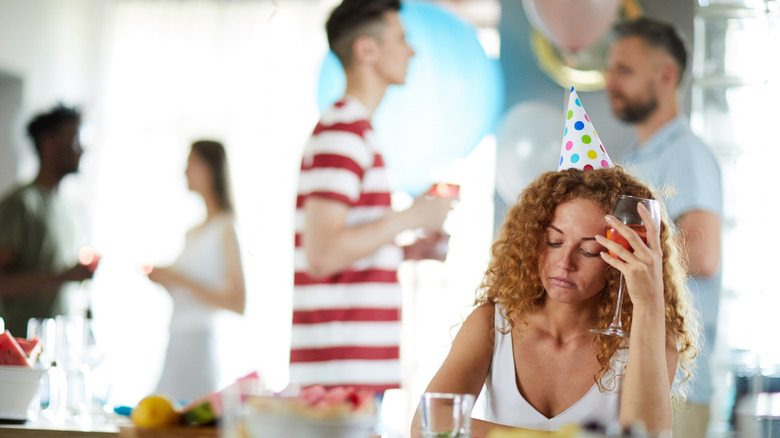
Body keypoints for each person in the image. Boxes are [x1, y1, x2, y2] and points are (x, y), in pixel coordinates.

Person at [413, 167, 697, 437]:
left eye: (589, 251)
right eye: (553, 242)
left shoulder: (648, 336)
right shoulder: (491, 323)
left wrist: (648, 304)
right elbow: (427, 426)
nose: (564, 263)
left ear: (621, 258)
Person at [291, 0, 455, 393]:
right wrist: (413, 216)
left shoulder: (353, 130)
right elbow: (323, 254)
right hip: (340, 378)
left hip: (348, 374)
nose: (411, 50)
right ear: (366, 50)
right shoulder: (343, 131)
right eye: (401, 38)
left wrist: (405, 251)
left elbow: (337, 252)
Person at [606, 17, 723, 437]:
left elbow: (704, 253)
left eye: (625, 70)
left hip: (678, 381)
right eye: (610, 68)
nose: (609, 80)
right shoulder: (633, 155)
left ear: (666, 76)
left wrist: (617, 254)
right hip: (634, 371)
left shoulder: (687, 154)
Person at [147, 140, 246, 402]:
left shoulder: (226, 228)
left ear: (209, 169)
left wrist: (179, 278)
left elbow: (238, 301)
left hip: (200, 346)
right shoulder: (192, 233)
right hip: (177, 340)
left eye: (191, 164)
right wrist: (168, 282)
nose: (184, 172)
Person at [0, 103, 94, 337]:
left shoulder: (76, 211)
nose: (81, 150)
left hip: (65, 348)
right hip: (24, 353)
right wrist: (63, 276)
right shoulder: (20, 204)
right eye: (74, 139)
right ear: (48, 142)